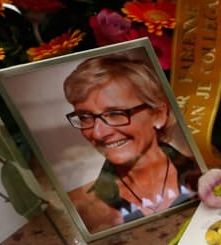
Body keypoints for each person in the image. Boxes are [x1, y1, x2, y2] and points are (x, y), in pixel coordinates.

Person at [64, 51, 199, 233]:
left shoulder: (203, 171)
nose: (98, 133)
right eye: (85, 117)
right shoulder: (83, 205)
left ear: (158, 115)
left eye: (115, 113)